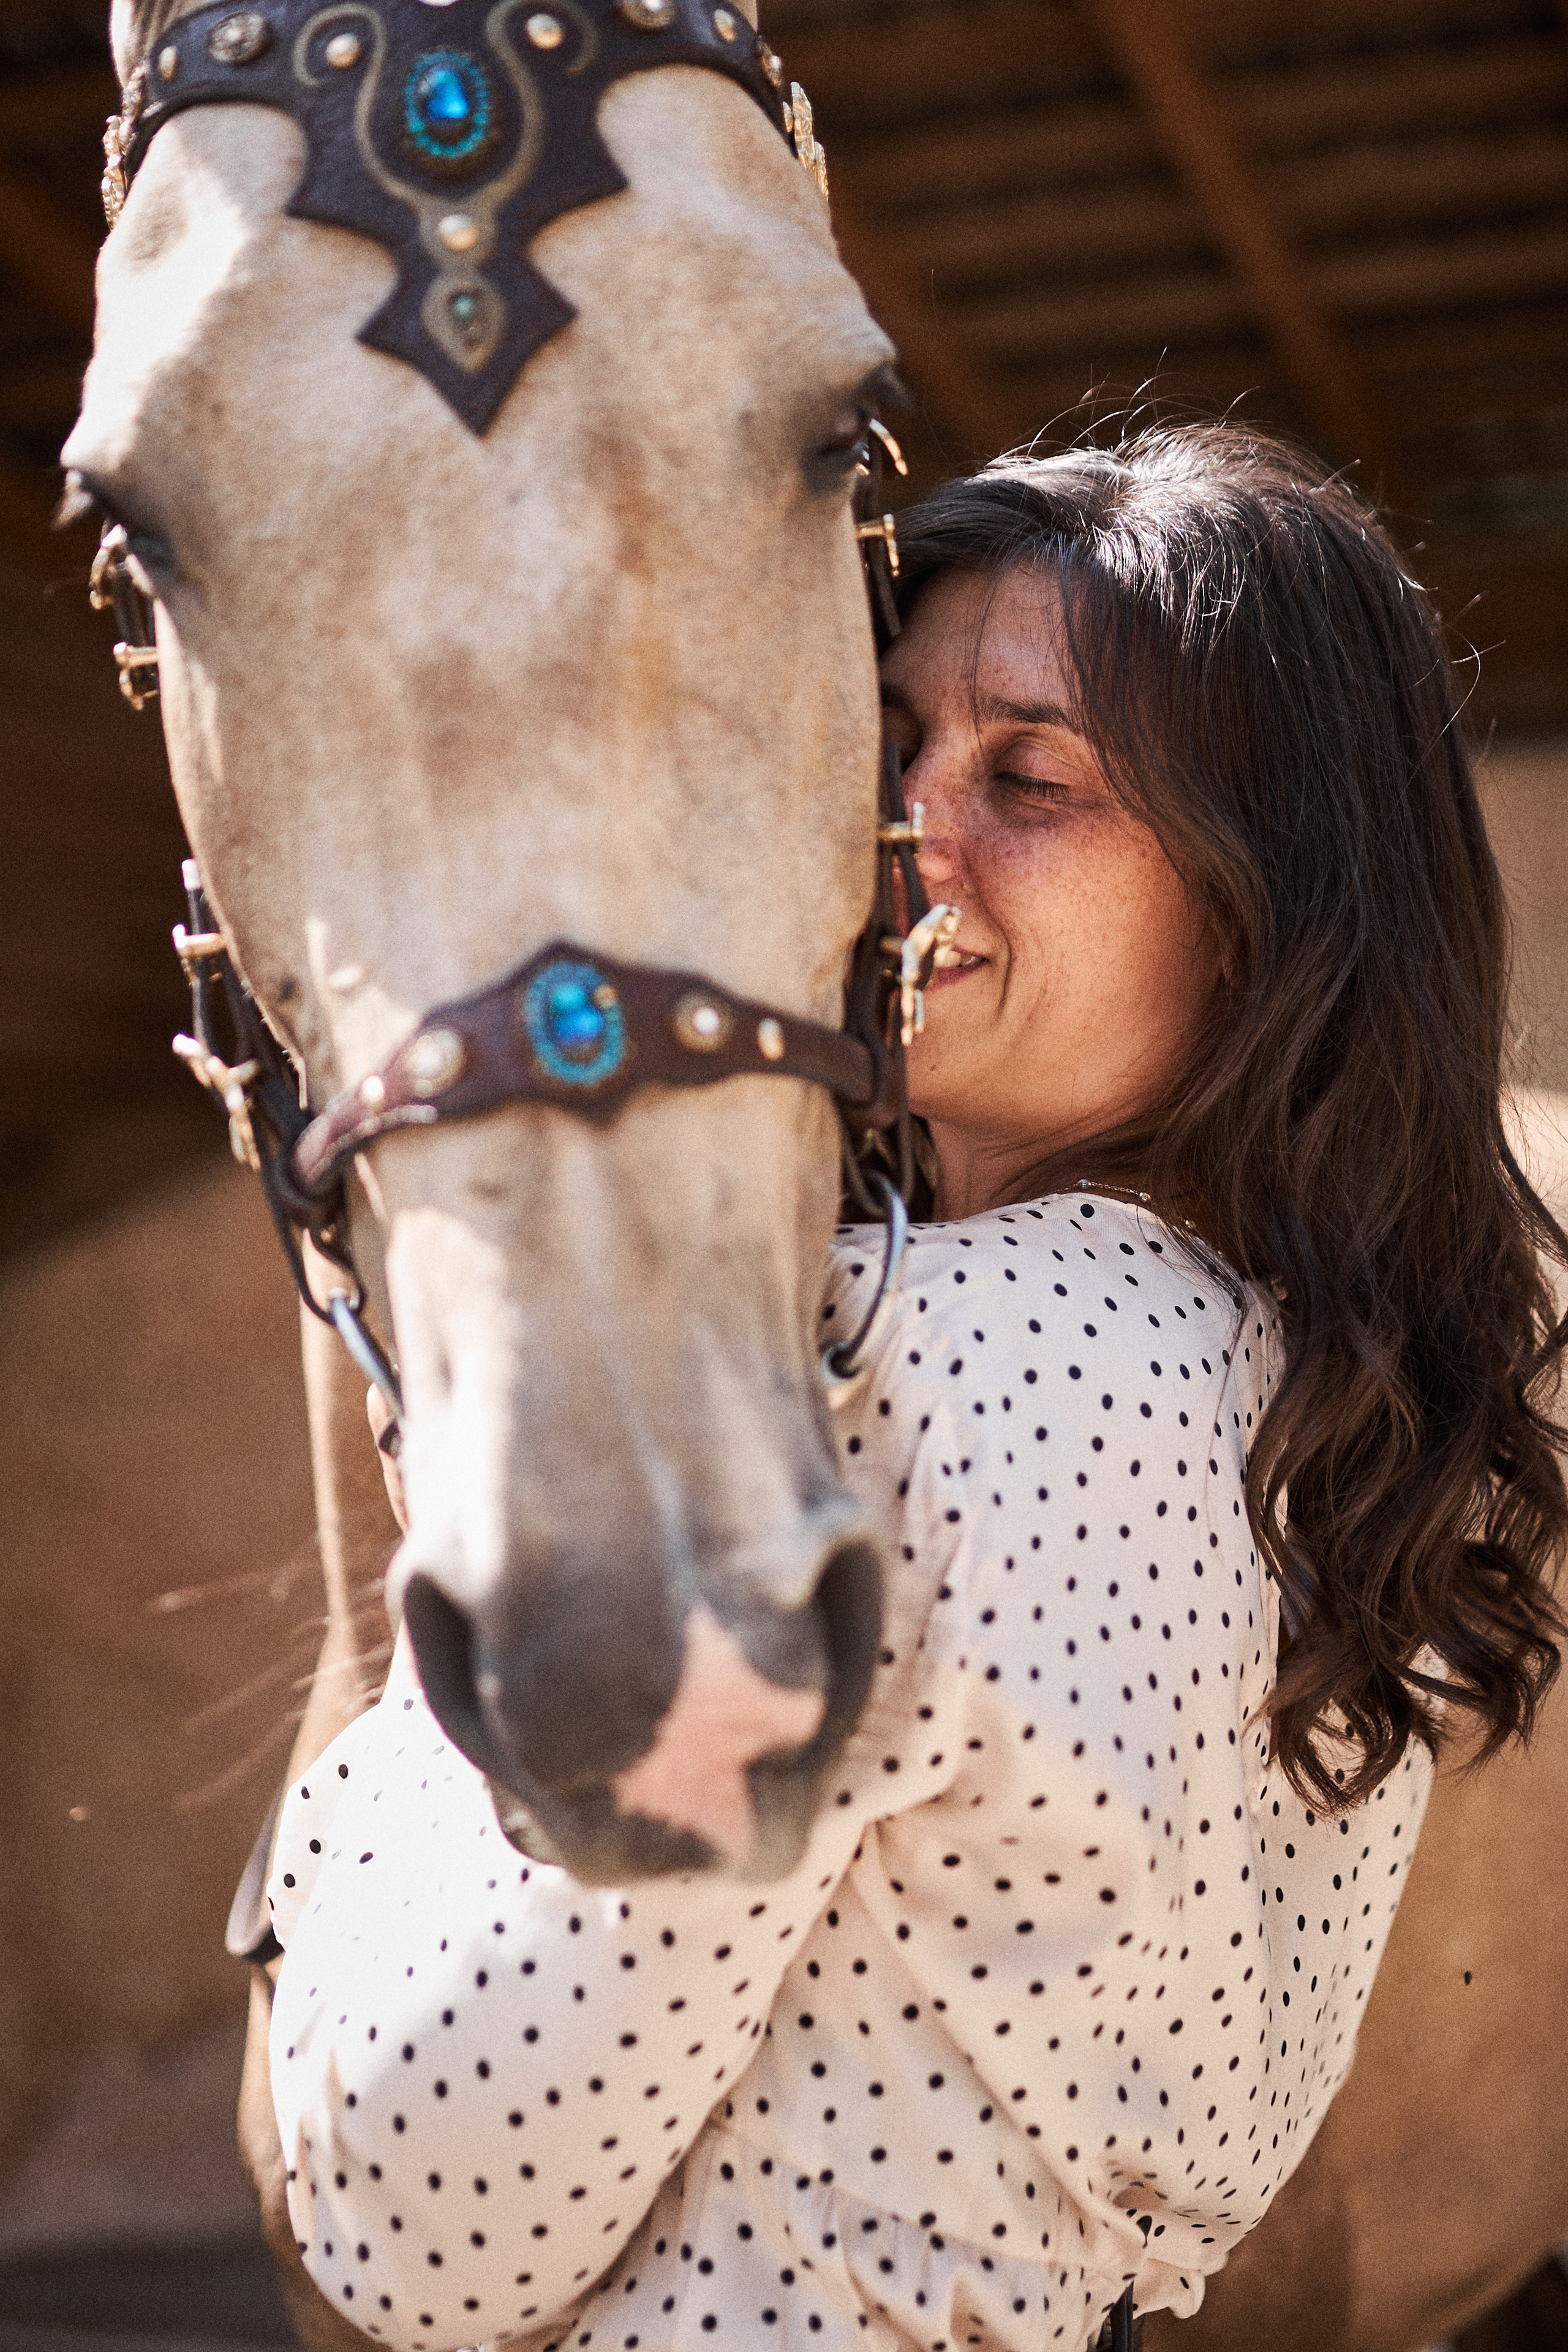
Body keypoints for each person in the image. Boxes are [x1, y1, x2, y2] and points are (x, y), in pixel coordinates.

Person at [260, 425, 1567, 2352]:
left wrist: (384, 1748)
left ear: (1266, 913)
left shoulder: (911, 1362)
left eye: (1026, 778)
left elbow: (431, 2218)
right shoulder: (1319, 1409)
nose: (905, 838)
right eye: (889, 752)